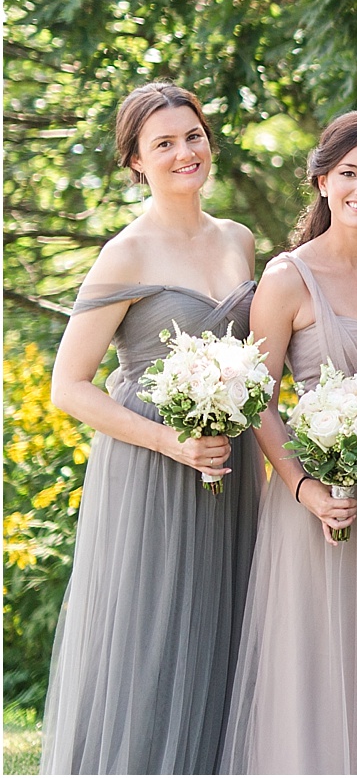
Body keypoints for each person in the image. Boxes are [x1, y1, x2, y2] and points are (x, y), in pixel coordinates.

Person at [40, 82, 259, 774]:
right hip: (153, 466)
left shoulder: (240, 241)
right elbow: (68, 385)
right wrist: (172, 441)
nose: (183, 152)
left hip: (231, 459)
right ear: (135, 161)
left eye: (191, 136)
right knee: (151, 638)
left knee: (222, 630)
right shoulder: (126, 253)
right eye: (162, 144)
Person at [220, 110, 357, 774]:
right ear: (321, 180)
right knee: (315, 660)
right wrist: (306, 488)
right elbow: (260, 397)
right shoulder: (287, 277)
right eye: (348, 174)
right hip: (313, 500)